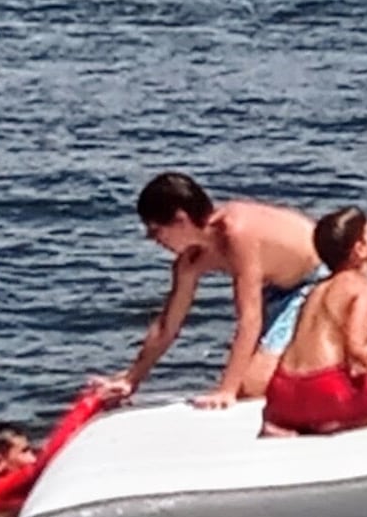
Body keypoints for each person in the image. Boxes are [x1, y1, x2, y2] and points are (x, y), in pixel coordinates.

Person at [120, 171, 328, 408]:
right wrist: (131, 378)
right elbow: (168, 325)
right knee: (253, 377)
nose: (152, 239)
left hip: (317, 278)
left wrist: (226, 390)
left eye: (156, 231)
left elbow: (249, 319)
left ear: (181, 220)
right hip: (278, 287)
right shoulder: (190, 262)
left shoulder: (236, 235)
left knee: (250, 386)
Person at [261, 205, 367, 436]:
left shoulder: (316, 290)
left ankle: (291, 422)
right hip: (325, 391)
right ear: (360, 249)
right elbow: (357, 348)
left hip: (281, 392)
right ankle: (334, 425)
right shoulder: (365, 289)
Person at [0, 378, 122, 517]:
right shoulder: (0, 490)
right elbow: (46, 460)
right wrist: (90, 402)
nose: (33, 458)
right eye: (25, 452)